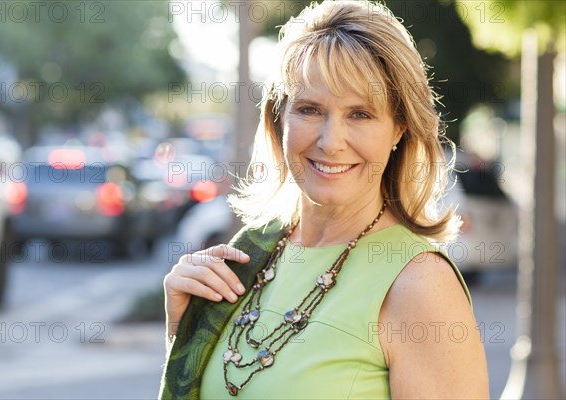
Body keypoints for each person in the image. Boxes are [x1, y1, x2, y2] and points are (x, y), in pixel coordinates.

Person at [159, 1, 489, 398]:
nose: (331, 142)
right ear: (279, 118)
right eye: (310, 110)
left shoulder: (420, 286)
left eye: (361, 115)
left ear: (399, 128)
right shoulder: (251, 255)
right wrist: (185, 332)